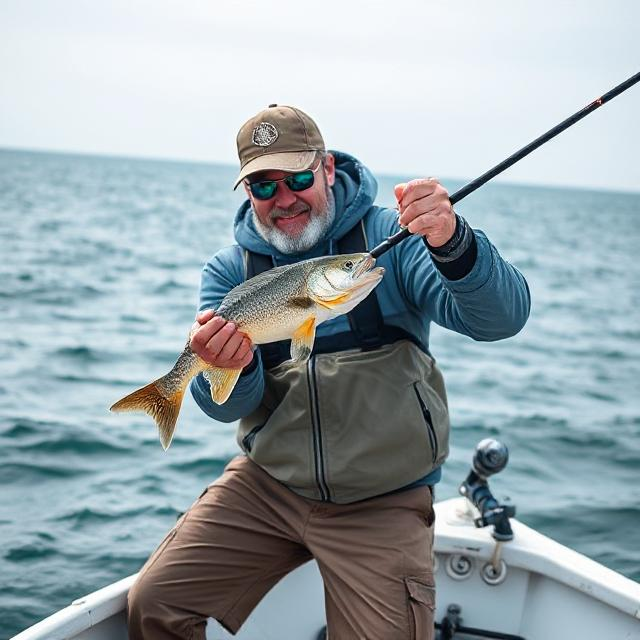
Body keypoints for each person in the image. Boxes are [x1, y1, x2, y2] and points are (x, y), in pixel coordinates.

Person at [127, 104, 530, 639]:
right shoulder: (229, 271)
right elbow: (227, 407)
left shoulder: (393, 237)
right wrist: (231, 368)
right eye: (264, 187)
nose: (285, 198)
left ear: (328, 169)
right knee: (153, 602)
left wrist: (454, 243)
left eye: (297, 177)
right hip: (268, 486)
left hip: (383, 499)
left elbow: (500, 319)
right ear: (248, 195)